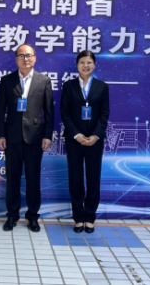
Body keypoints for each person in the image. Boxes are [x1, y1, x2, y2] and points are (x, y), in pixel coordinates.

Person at [0, 44, 54, 232]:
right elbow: (0, 110)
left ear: (34, 58)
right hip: (12, 137)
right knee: (12, 178)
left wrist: (47, 135)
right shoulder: (7, 80)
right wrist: (0, 134)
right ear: (16, 59)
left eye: (28, 55)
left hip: (35, 138)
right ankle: (12, 215)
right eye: (21, 56)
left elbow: (49, 111)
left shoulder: (43, 81)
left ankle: (33, 216)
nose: (25, 59)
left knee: (33, 179)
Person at [60, 50, 109, 234]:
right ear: (77, 65)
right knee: (76, 178)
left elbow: (104, 114)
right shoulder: (69, 86)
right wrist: (76, 134)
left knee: (93, 178)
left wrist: (96, 135)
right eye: (82, 62)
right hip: (74, 140)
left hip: (95, 141)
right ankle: (78, 217)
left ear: (94, 65)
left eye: (89, 62)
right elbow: (64, 112)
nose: (85, 66)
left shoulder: (102, 87)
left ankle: (90, 217)